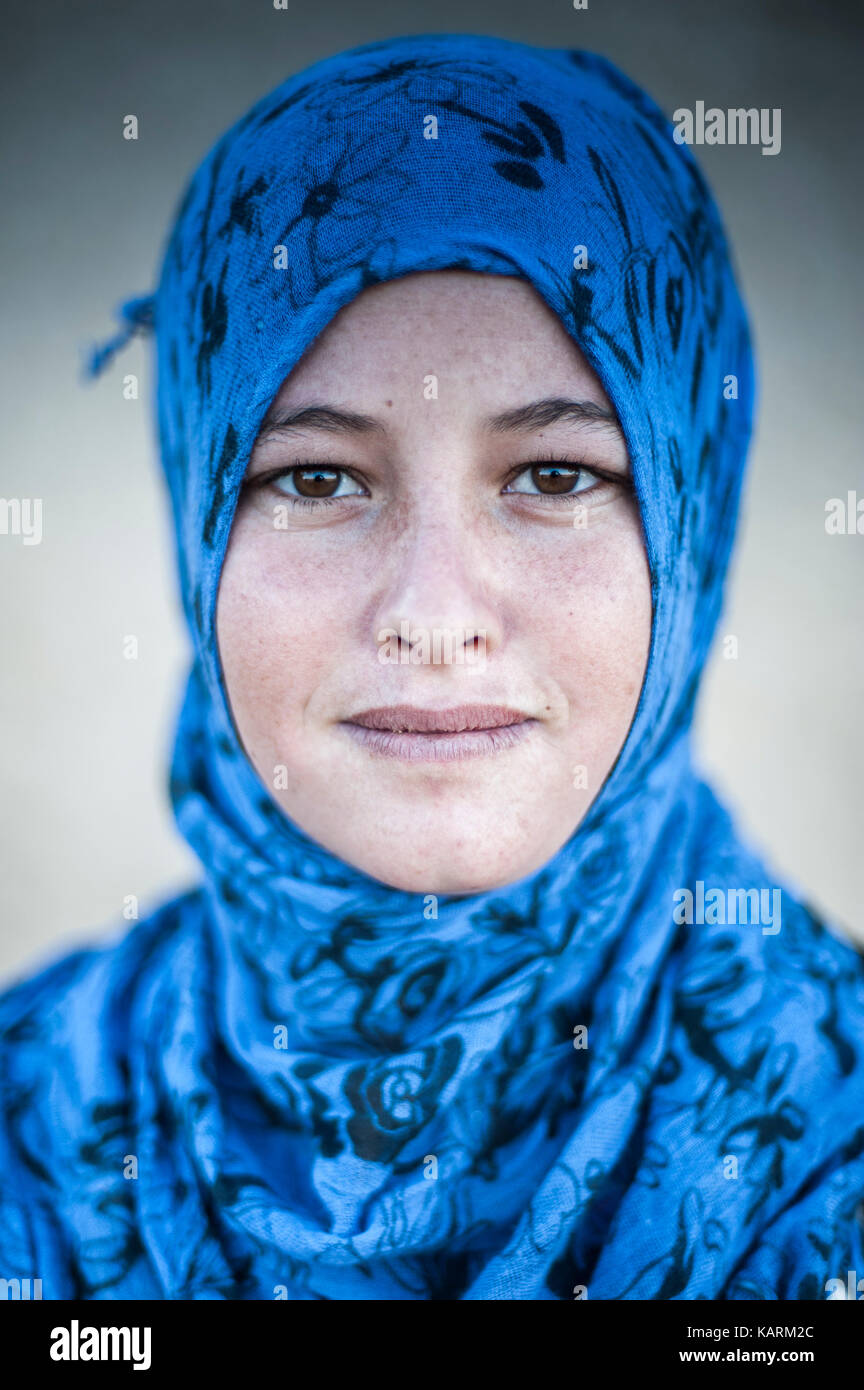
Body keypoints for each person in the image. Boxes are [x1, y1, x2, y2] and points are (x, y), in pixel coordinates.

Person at [1, 31, 862, 1302]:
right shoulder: (32, 1132)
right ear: (198, 524)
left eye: (556, 476)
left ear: (693, 526)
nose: (435, 615)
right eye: (316, 477)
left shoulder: (828, 1161)